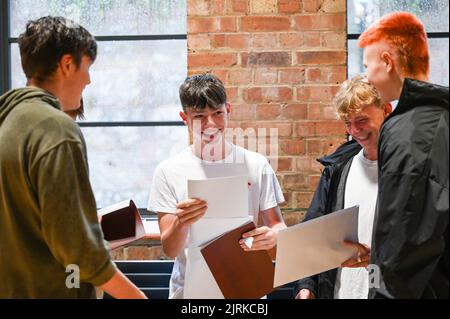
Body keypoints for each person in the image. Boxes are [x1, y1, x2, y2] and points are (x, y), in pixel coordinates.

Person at [0, 16, 146, 299]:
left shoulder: (7, 122)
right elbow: (78, 249)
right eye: (87, 67)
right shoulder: (55, 127)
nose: (89, 80)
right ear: (67, 64)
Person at [148, 73, 286, 299]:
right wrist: (182, 222)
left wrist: (273, 237)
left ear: (228, 110)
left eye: (217, 113)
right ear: (185, 118)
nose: (210, 124)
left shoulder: (256, 164)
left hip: (246, 292)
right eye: (199, 116)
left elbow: (278, 227)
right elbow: (170, 249)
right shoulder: (168, 171)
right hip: (191, 293)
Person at [359, 11, 449, 298]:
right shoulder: (439, 117)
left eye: (367, 66)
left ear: (387, 62)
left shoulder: (407, 131)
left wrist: (375, 290)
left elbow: (400, 244)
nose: (365, 77)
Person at [294, 75, 392, 299]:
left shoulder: (410, 169)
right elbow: (313, 232)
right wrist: (306, 286)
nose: (355, 130)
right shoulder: (337, 168)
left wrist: (380, 256)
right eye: (348, 123)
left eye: (362, 120)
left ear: (386, 109)